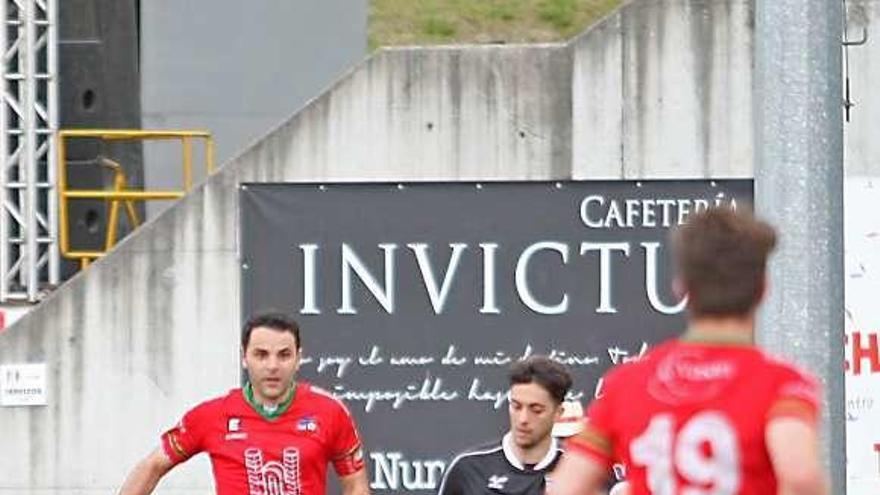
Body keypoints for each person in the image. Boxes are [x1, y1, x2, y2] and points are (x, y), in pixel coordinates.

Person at [550, 208, 828, 495]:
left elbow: (566, 488)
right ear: (763, 290)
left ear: (681, 289)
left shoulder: (625, 384)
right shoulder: (782, 384)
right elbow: (800, 478)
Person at [118, 313, 370, 495]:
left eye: (284, 355)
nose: (272, 366)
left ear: (298, 359)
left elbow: (355, 484)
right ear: (244, 358)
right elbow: (152, 465)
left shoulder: (329, 411)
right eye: (261, 355)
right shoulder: (211, 416)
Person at [437, 356, 572, 495]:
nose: (523, 419)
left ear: (558, 413)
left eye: (536, 410)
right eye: (516, 406)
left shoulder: (576, 469)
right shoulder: (467, 468)